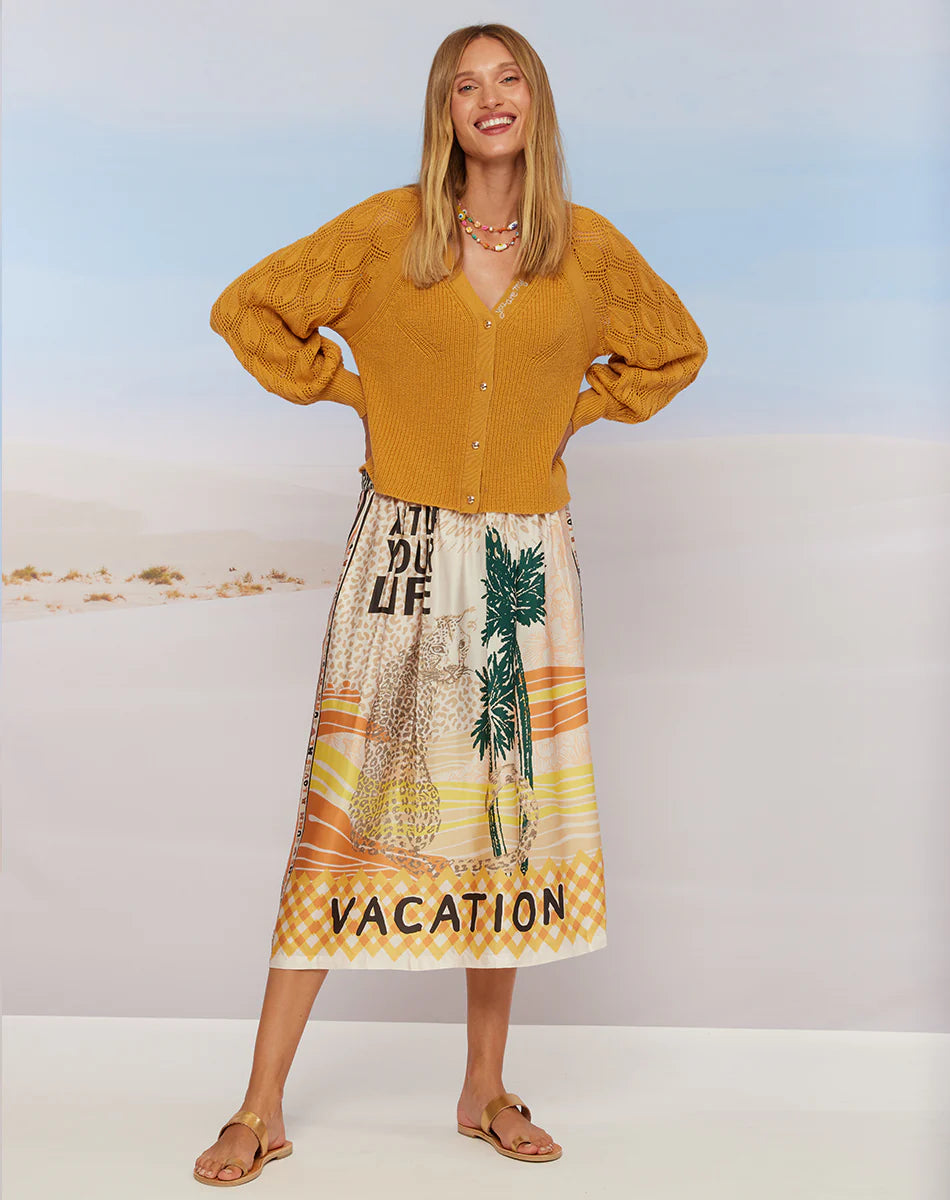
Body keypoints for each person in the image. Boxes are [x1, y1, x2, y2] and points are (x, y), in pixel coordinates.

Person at [194, 21, 707, 1186]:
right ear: (443, 114)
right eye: (463, 85)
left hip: (526, 570)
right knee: (339, 819)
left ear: (534, 102)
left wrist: (573, 412)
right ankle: (259, 1103)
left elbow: (673, 351)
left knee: (502, 823)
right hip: (403, 558)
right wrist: (352, 391)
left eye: (506, 78)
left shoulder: (583, 253)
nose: (488, 98)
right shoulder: (388, 235)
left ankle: (482, 1086)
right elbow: (249, 308)